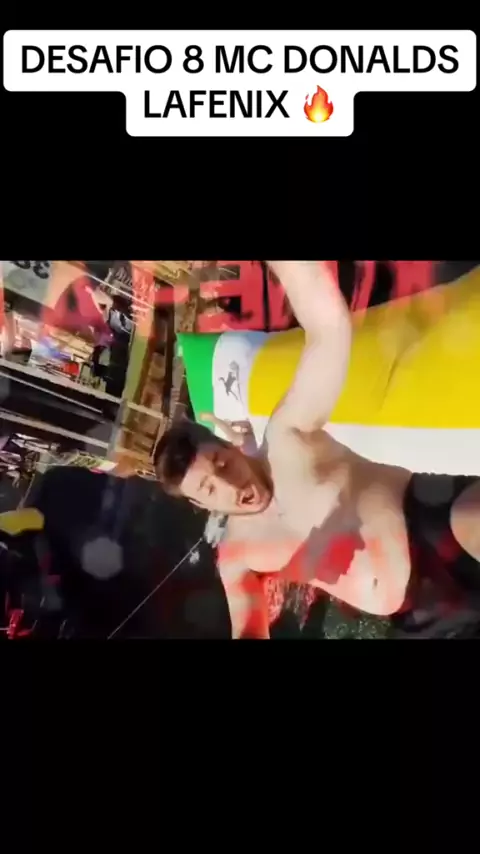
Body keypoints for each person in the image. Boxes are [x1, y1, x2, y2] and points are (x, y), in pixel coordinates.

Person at [154, 261, 480, 639]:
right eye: (209, 488)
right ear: (200, 504)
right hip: (419, 615)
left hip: (429, 520)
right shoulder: (237, 556)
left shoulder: (286, 435)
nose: (230, 484)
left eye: (221, 463)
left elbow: (328, 333)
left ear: (230, 447)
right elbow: (248, 627)